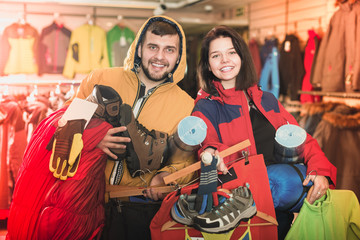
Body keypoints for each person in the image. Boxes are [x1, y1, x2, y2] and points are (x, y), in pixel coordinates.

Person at [191, 26, 337, 240]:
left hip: (279, 216)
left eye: (231, 52)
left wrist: (320, 170)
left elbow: (300, 138)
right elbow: (207, 143)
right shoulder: (205, 106)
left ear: (242, 56)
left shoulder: (265, 99)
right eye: (216, 55)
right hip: (237, 219)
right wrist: (213, 153)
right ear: (207, 64)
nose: (225, 60)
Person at [69, 16, 195, 239]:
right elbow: (65, 126)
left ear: (178, 57)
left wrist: (165, 177)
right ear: (139, 49)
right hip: (86, 203)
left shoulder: (187, 106)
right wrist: (93, 138)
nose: (159, 57)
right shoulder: (99, 79)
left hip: (143, 210)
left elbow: (186, 161)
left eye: (169, 50)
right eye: (153, 47)